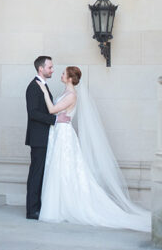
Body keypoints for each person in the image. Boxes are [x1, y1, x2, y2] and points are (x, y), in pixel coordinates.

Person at [37, 66, 150, 232]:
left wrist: (45, 93)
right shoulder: (65, 93)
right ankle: (59, 204)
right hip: (58, 132)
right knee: (58, 168)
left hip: (64, 134)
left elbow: (52, 110)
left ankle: (62, 206)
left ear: (69, 78)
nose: (60, 75)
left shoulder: (71, 95)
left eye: (63, 73)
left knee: (64, 167)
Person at [24, 55, 70, 219]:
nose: (52, 70)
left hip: (44, 137)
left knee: (42, 173)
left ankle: (39, 207)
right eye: (50, 67)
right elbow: (33, 113)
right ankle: (32, 210)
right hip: (38, 138)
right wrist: (56, 119)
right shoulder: (33, 87)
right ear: (40, 69)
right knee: (36, 174)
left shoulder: (43, 86)